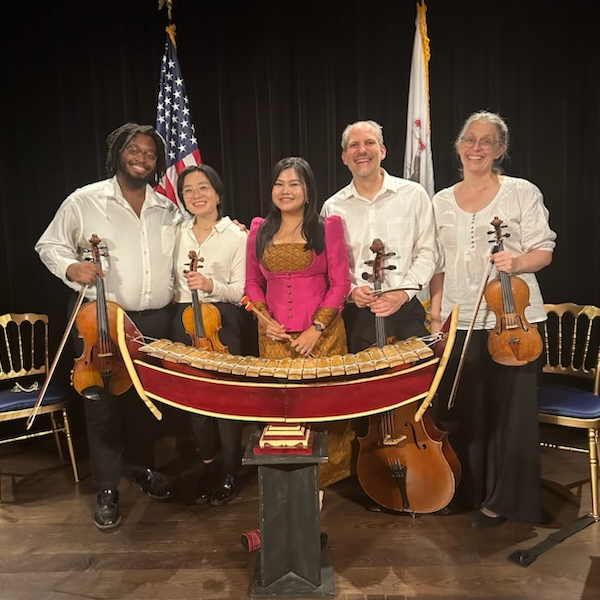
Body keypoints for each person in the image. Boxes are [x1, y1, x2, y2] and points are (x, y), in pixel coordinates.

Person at [35, 123, 181, 530]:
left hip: (153, 320)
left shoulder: (167, 208)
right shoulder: (85, 200)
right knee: (101, 406)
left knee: (144, 404)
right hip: (100, 319)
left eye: (150, 153)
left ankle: (141, 467)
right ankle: (106, 489)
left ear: (157, 162)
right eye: (133, 149)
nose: (141, 157)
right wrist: (72, 266)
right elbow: (49, 244)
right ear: (118, 152)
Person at [429, 110, 556, 527]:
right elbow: (438, 265)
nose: (477, 147)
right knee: (467, 411)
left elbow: (544, 250)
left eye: (487, 141)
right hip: (459, 318)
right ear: (459, 147)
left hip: (511, 318)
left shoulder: (520, 192)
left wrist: (516, 261)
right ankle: (465, 490)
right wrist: (435, 315)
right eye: (470, 139)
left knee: (510, 414)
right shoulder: (441, 201)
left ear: (500, 150)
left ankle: (505, 500)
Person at [244, 156, 352, 488]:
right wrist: (265, 321)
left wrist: (315, 329)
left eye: (294, 183)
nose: (285, 190)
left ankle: (325, 481)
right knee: (284, 409)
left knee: (324, 407)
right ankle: (289, 479)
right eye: (279, 183)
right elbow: (251, 284)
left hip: (322, 336)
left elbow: (340, 284)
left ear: (308, 190)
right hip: (274, 337)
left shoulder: (328, 227)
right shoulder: (259, 229)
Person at [320, 120, 438, 353]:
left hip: (405, 310)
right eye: (354, 145)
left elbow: (428, 252)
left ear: (382, 151)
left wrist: (403, 292)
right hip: (358, 316)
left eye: (369, 143)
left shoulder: (413, 195)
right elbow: (330, 265)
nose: (362, 151)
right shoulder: (332, 207)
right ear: (344, 157)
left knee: (416, 381)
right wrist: (352, 290)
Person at [170, 164, 247, 506]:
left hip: (223, 322)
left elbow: (241, 291)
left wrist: (210, 284)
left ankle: (230, 469)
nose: (196, 195)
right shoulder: (175, 233)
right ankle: (207, 464)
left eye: (203, 188)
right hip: (184, 321)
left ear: (217, 193)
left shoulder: (236, 236)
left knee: (225, 400)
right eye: (188, 190)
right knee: (195, 399)